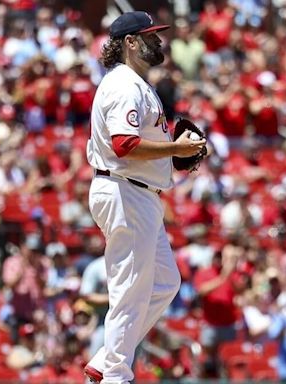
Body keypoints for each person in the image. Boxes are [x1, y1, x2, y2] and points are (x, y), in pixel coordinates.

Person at [84, 11, 207, 384]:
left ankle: (106, 361)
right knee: (130, 292)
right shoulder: (124, 84)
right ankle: (115, 377)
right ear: (130, 43)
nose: (158, 41)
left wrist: (173, 154)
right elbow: (126, 145)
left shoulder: (135, 83)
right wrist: (175, 148)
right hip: (125, 190)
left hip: (137, 191)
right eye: (150, 35)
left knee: (165, 283)